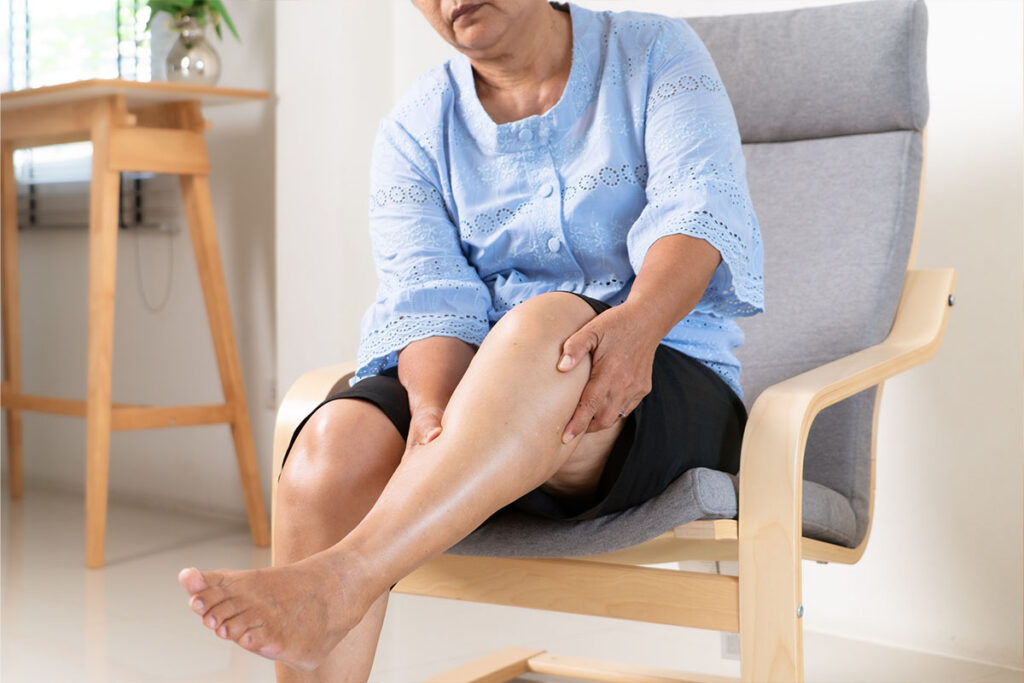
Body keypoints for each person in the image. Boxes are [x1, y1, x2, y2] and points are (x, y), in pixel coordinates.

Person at [177, 0, 764, 679]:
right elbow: (427, 296)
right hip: (483, 403)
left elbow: (699, 207)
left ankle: (340, 578)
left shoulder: (656, 51)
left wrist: (638, 324)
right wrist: (431, 409)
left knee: (543, 326)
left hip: (659, 373)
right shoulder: (415, 128)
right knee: (329, 446)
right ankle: (333, 587)